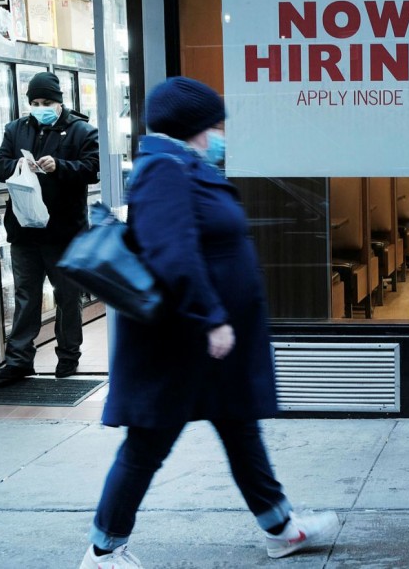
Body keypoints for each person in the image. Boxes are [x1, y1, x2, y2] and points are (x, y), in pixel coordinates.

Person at [80, 77, 339, 569]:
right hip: (183, 341)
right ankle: (103, 550)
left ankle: (281, 528)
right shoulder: (163, 170)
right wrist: (212, 319)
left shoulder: (182, 166)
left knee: (240, 428)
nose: (222, 133)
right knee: (146, 444)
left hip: (207, 342)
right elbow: (172, 252)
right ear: (195, 126)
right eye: (217, 124)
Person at [0, 72, 99, 380]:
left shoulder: (82, 131)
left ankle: (67, 356)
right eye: (35, 103)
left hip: (65, 233)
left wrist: (60, 166)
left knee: (67, 296)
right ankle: (19, 360)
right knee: (26, 297)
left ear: (60, 102)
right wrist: (17, 166)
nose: (40, 107)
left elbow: (92, 169)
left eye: (47, 102)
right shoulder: (16, 130)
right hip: (24, 230)